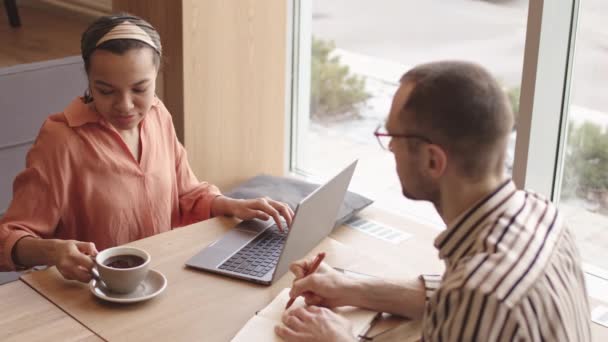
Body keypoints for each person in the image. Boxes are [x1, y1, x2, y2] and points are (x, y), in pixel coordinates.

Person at [276, 61, 591, 341]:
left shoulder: (482, 296)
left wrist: (339, 338)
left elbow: (476, 298)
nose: (392, 152)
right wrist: (349, 288)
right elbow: (457, 295)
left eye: (392, 138)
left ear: (432, 160)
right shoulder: (541, 214)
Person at [0, 14, 293, 284]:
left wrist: (231, 204)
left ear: (157, 76)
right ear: (89, 79)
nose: (125, 105)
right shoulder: (60, 139)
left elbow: (188, 195)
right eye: (105, 90)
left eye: (140, 89)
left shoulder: (157, 115)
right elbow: (8, 238)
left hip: (165, 281)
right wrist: (53, 252)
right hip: (92, 298)